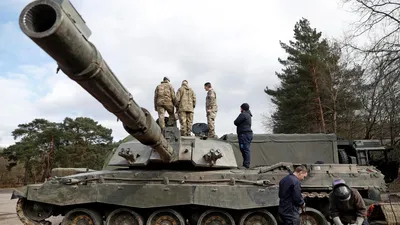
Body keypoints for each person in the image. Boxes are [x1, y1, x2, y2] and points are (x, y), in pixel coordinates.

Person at [233, 103, 253, 168]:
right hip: (246, 134)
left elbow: (236, 122)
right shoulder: (248, 115)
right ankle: (245, 164)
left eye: (241, 108)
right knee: (243, 149)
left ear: (242, 108)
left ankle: (246, 165)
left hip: (244, 134)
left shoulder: (243, 115)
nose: (240, 109)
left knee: (245, 149)